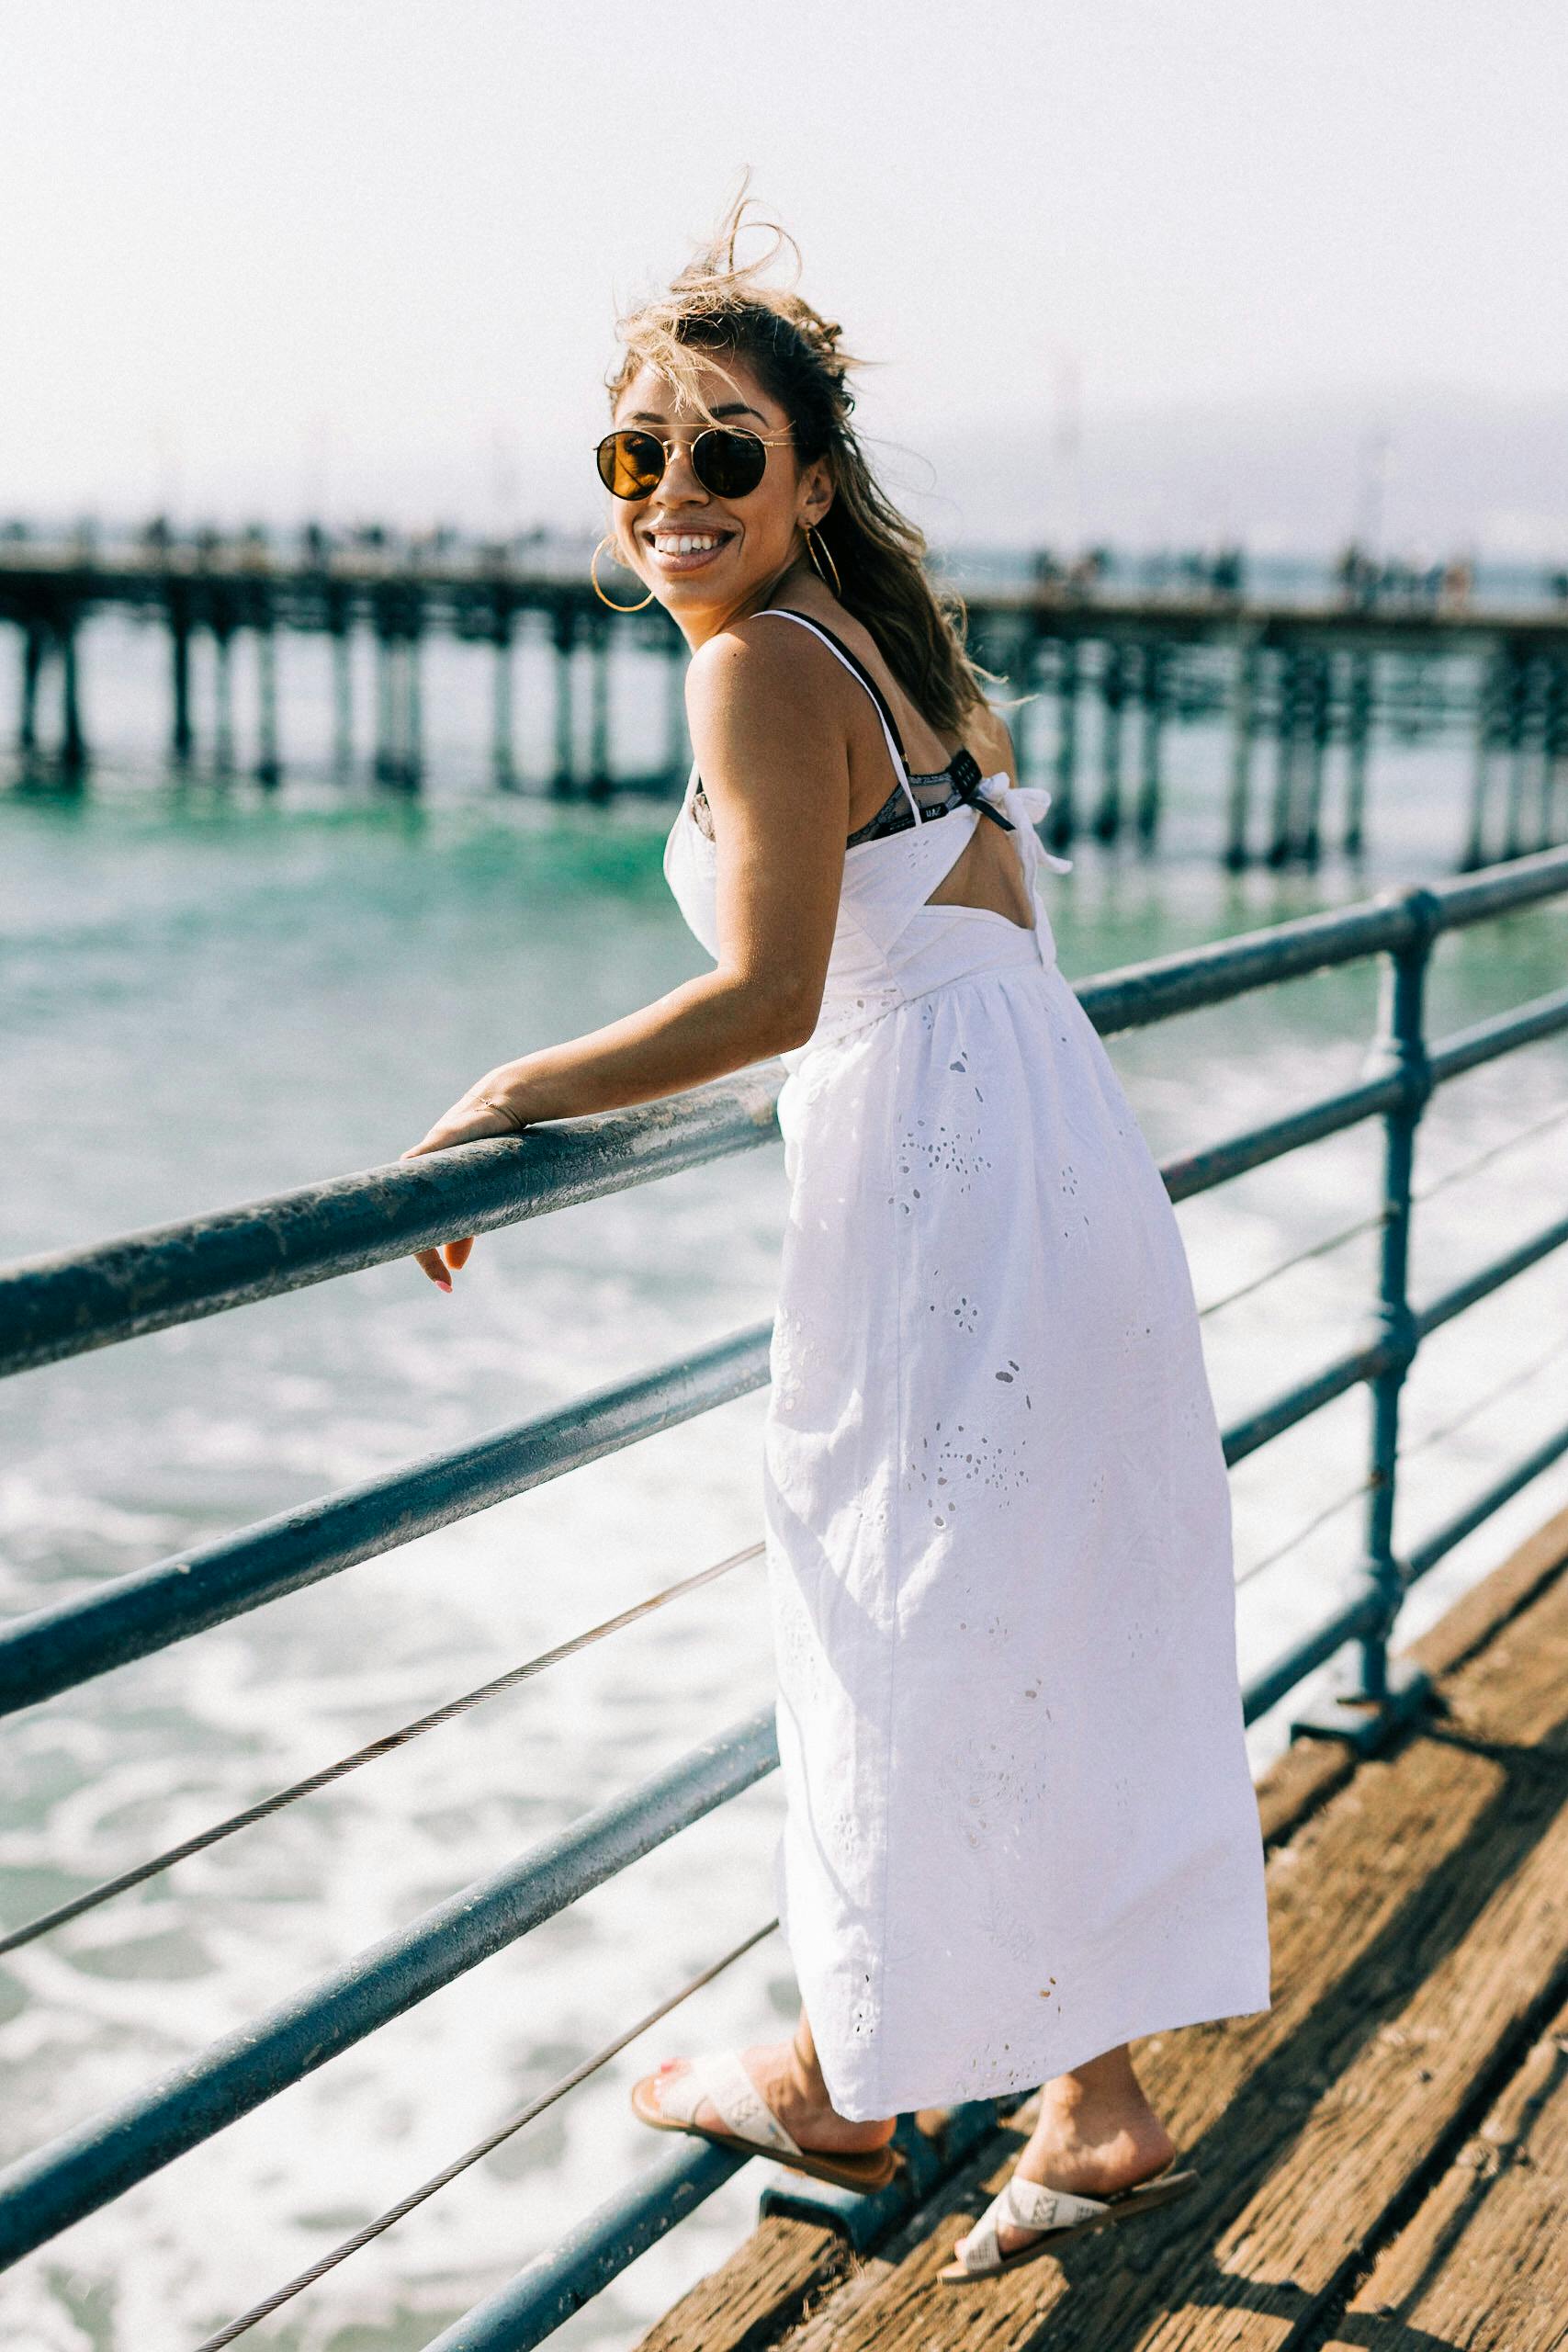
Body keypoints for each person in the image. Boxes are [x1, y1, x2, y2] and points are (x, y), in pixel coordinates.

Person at [400, 185, 1271, 2282]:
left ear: (801, 479)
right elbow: (952, 943)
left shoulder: (753, 673)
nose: (671, 493)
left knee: (892, 1619)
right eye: (637, 455)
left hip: (943, 1186)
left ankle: (842, 2076)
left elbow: (778, 991)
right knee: (1033, 1613)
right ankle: (1087, 2094)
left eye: (719, 452)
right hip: (1049, 1162)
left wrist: (515, 1084)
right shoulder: (891, 656)